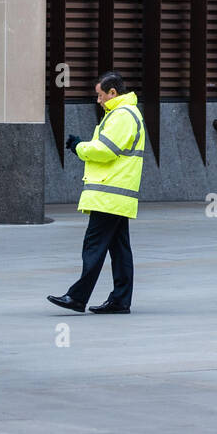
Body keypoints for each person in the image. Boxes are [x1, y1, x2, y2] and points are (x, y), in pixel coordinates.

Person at [47, 71, 146, 314]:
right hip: (117, 195)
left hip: (109, 195)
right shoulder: (124, 113)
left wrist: (79, 146)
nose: (98, 100)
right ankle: (120, 300)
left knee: (94, 246)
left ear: (113, 93)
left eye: (100, 95)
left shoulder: (122, 115)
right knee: (120, 250)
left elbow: (105, 150)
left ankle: (77, 297)